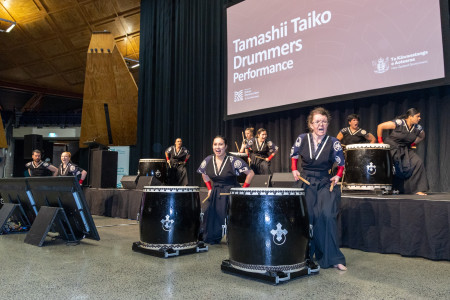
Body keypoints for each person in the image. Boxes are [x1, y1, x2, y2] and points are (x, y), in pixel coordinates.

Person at [290, 107, 347, 271]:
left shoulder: (333, 142)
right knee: (307, 217)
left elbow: (341, 163)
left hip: (324, 181)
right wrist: (294, 169)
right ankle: (303, 255)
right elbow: (294, 155)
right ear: (311, 124)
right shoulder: (302, 138)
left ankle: (332, 257)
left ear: (327, 124)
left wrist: (338, 176)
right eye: (317, 121)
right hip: (306, 180)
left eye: (324, 121)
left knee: (327, 215)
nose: (321, 124)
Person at [197, 135, 254, 244]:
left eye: (220, 144)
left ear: (226, 146)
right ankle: (212, 236)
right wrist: (209, 188)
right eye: (215, 144)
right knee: (207, 214)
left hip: (231, 192)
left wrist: (242, 190)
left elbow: (250, 173)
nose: (217, 147)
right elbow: (204, 174)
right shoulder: (208, 159)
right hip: (215, 191)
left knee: (232, 218)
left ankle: (235, 239)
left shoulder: (233, 160)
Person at [377, 108, 428, 195]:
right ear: (410, 117)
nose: (419, 118)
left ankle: (418, 189)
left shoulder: (417, 128)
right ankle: (389, 188)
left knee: (418, 162)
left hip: (405, 148)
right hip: (391, 147)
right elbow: (380, 126)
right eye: (417, 116)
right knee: (394, 166)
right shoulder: (399, 123)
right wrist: (381, 143)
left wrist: (412, 144)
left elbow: (422, 136)